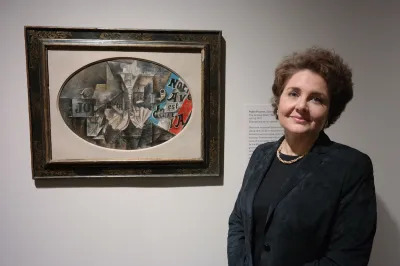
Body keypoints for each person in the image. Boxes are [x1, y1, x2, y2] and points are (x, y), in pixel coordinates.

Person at [227, 47, 376, 266]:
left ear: (329, 112)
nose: (301, 106)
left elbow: (347, 257)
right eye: (294, 93)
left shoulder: (351, 167)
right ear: (279, 102)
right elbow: (238, 222)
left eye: (316, 99)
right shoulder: (261, 154)